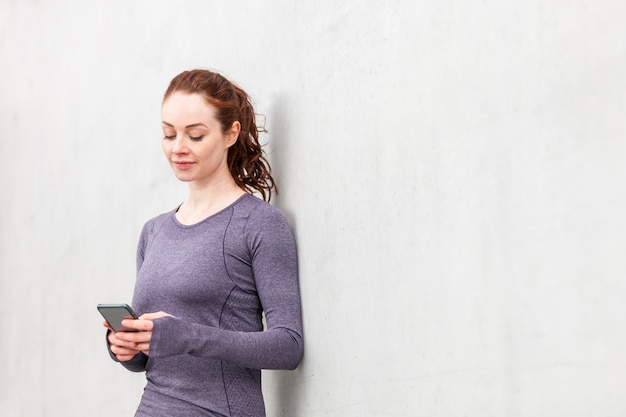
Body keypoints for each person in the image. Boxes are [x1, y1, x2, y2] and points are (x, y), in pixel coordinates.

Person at [103, 69, 304, 417]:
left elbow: (288, 346)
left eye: (195, 136)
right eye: (169, 134)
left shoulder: (258, 224)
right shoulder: (154, 231)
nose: (178, 148)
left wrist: (187, 336)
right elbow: (149, 360)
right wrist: (127, 346)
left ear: (231, 133)